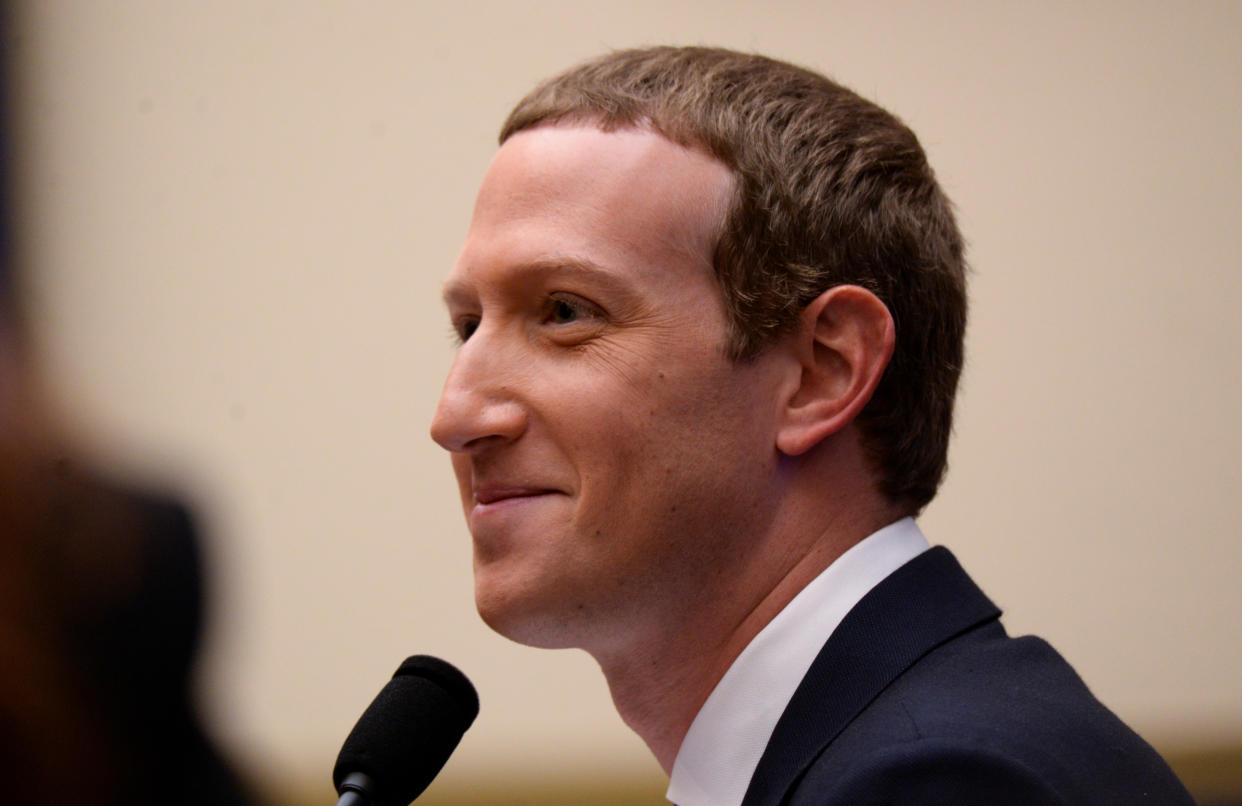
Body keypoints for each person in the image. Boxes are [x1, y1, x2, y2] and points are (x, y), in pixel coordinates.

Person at [430, 46, 1193, 804]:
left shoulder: (940, 783)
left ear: (822, 372)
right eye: (468, 326)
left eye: (565, 312)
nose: (455, 418)